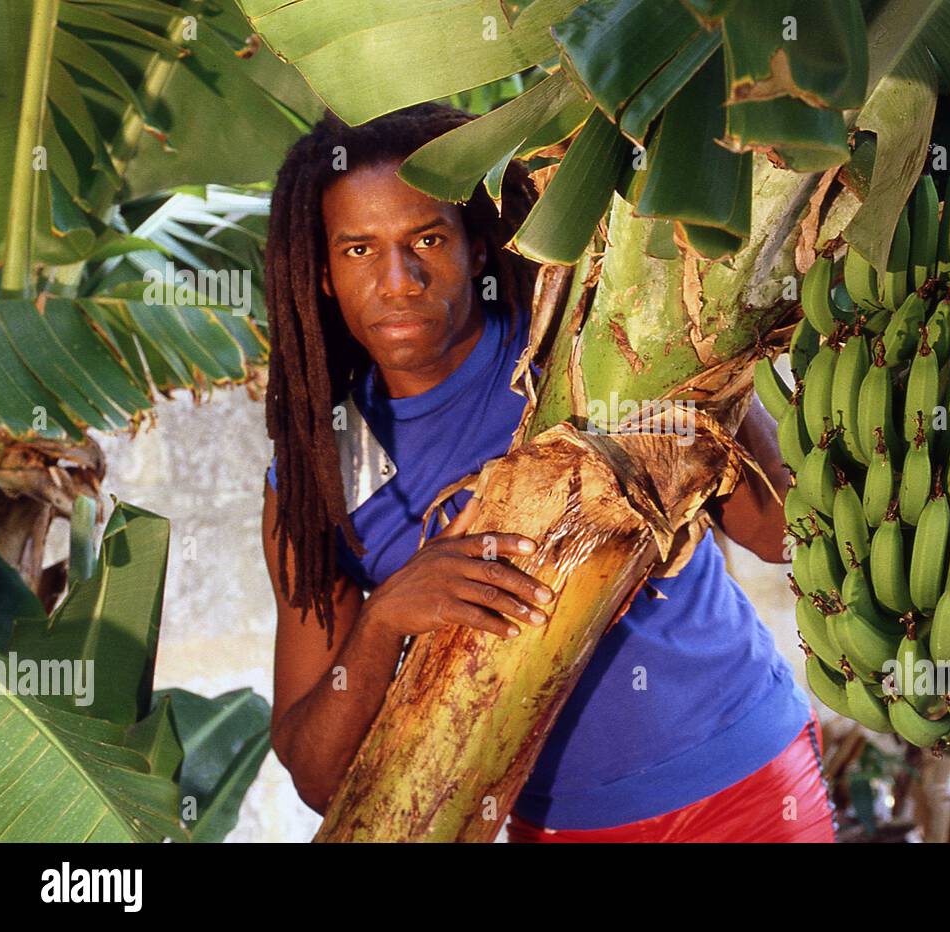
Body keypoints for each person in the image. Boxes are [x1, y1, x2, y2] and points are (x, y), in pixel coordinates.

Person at [261, 100, 837, 843]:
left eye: (425, 238)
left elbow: (783, 536)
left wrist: (716, 363)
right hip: (557, 826)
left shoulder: (579, 340)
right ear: (324, 276)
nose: (398, 279)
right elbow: (318, 778)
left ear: (474, 246)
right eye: (359, 249)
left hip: (746, 781)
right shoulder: (322, 472)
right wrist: (384, 621)